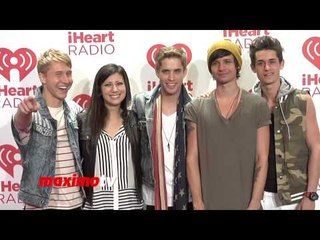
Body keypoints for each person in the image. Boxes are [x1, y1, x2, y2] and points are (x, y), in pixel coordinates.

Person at [185, 39, 271, 210]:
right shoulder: (196, 108)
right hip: (208, 204)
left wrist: (254, 203)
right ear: (210, 68)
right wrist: (197, 202)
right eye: (216, 63)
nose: (221, 68)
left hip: (248, 204)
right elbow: (191, 159)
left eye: (227, 61)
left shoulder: (257, 105)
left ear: (237, 65)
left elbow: (262, 158)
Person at [249, 35, 320, 210]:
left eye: (272, 61)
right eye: (261, 63)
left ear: (281, 64)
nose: (267, 68)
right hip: (259, 198)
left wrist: (310, 195)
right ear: (253, 67)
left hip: (296, 198)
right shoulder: (246, 104)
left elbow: (316, 148)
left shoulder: (302, 100)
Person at [11, 48, 84, 209]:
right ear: (43, 77)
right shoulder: (30, 110)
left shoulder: (75, 109)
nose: (66, 80)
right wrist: (23, 113)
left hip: (76, 204)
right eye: (58, 74)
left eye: (68, 73)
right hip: (41, 205)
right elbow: (21, 125)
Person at [132, 46, 192, 210]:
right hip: (151, 194)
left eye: (177, 71)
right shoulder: (140, 103)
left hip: (185, 195)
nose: (171, 77)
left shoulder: (194, 107)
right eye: (166, 71)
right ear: (157, 72)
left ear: (184, 72)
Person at [78, 63, 144, 210]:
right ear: (99, 89)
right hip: (95, 205)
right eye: (108, 84)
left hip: (131, 204)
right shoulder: (84, 121)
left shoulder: (136, 120)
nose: (115, 89)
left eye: (119, 83)